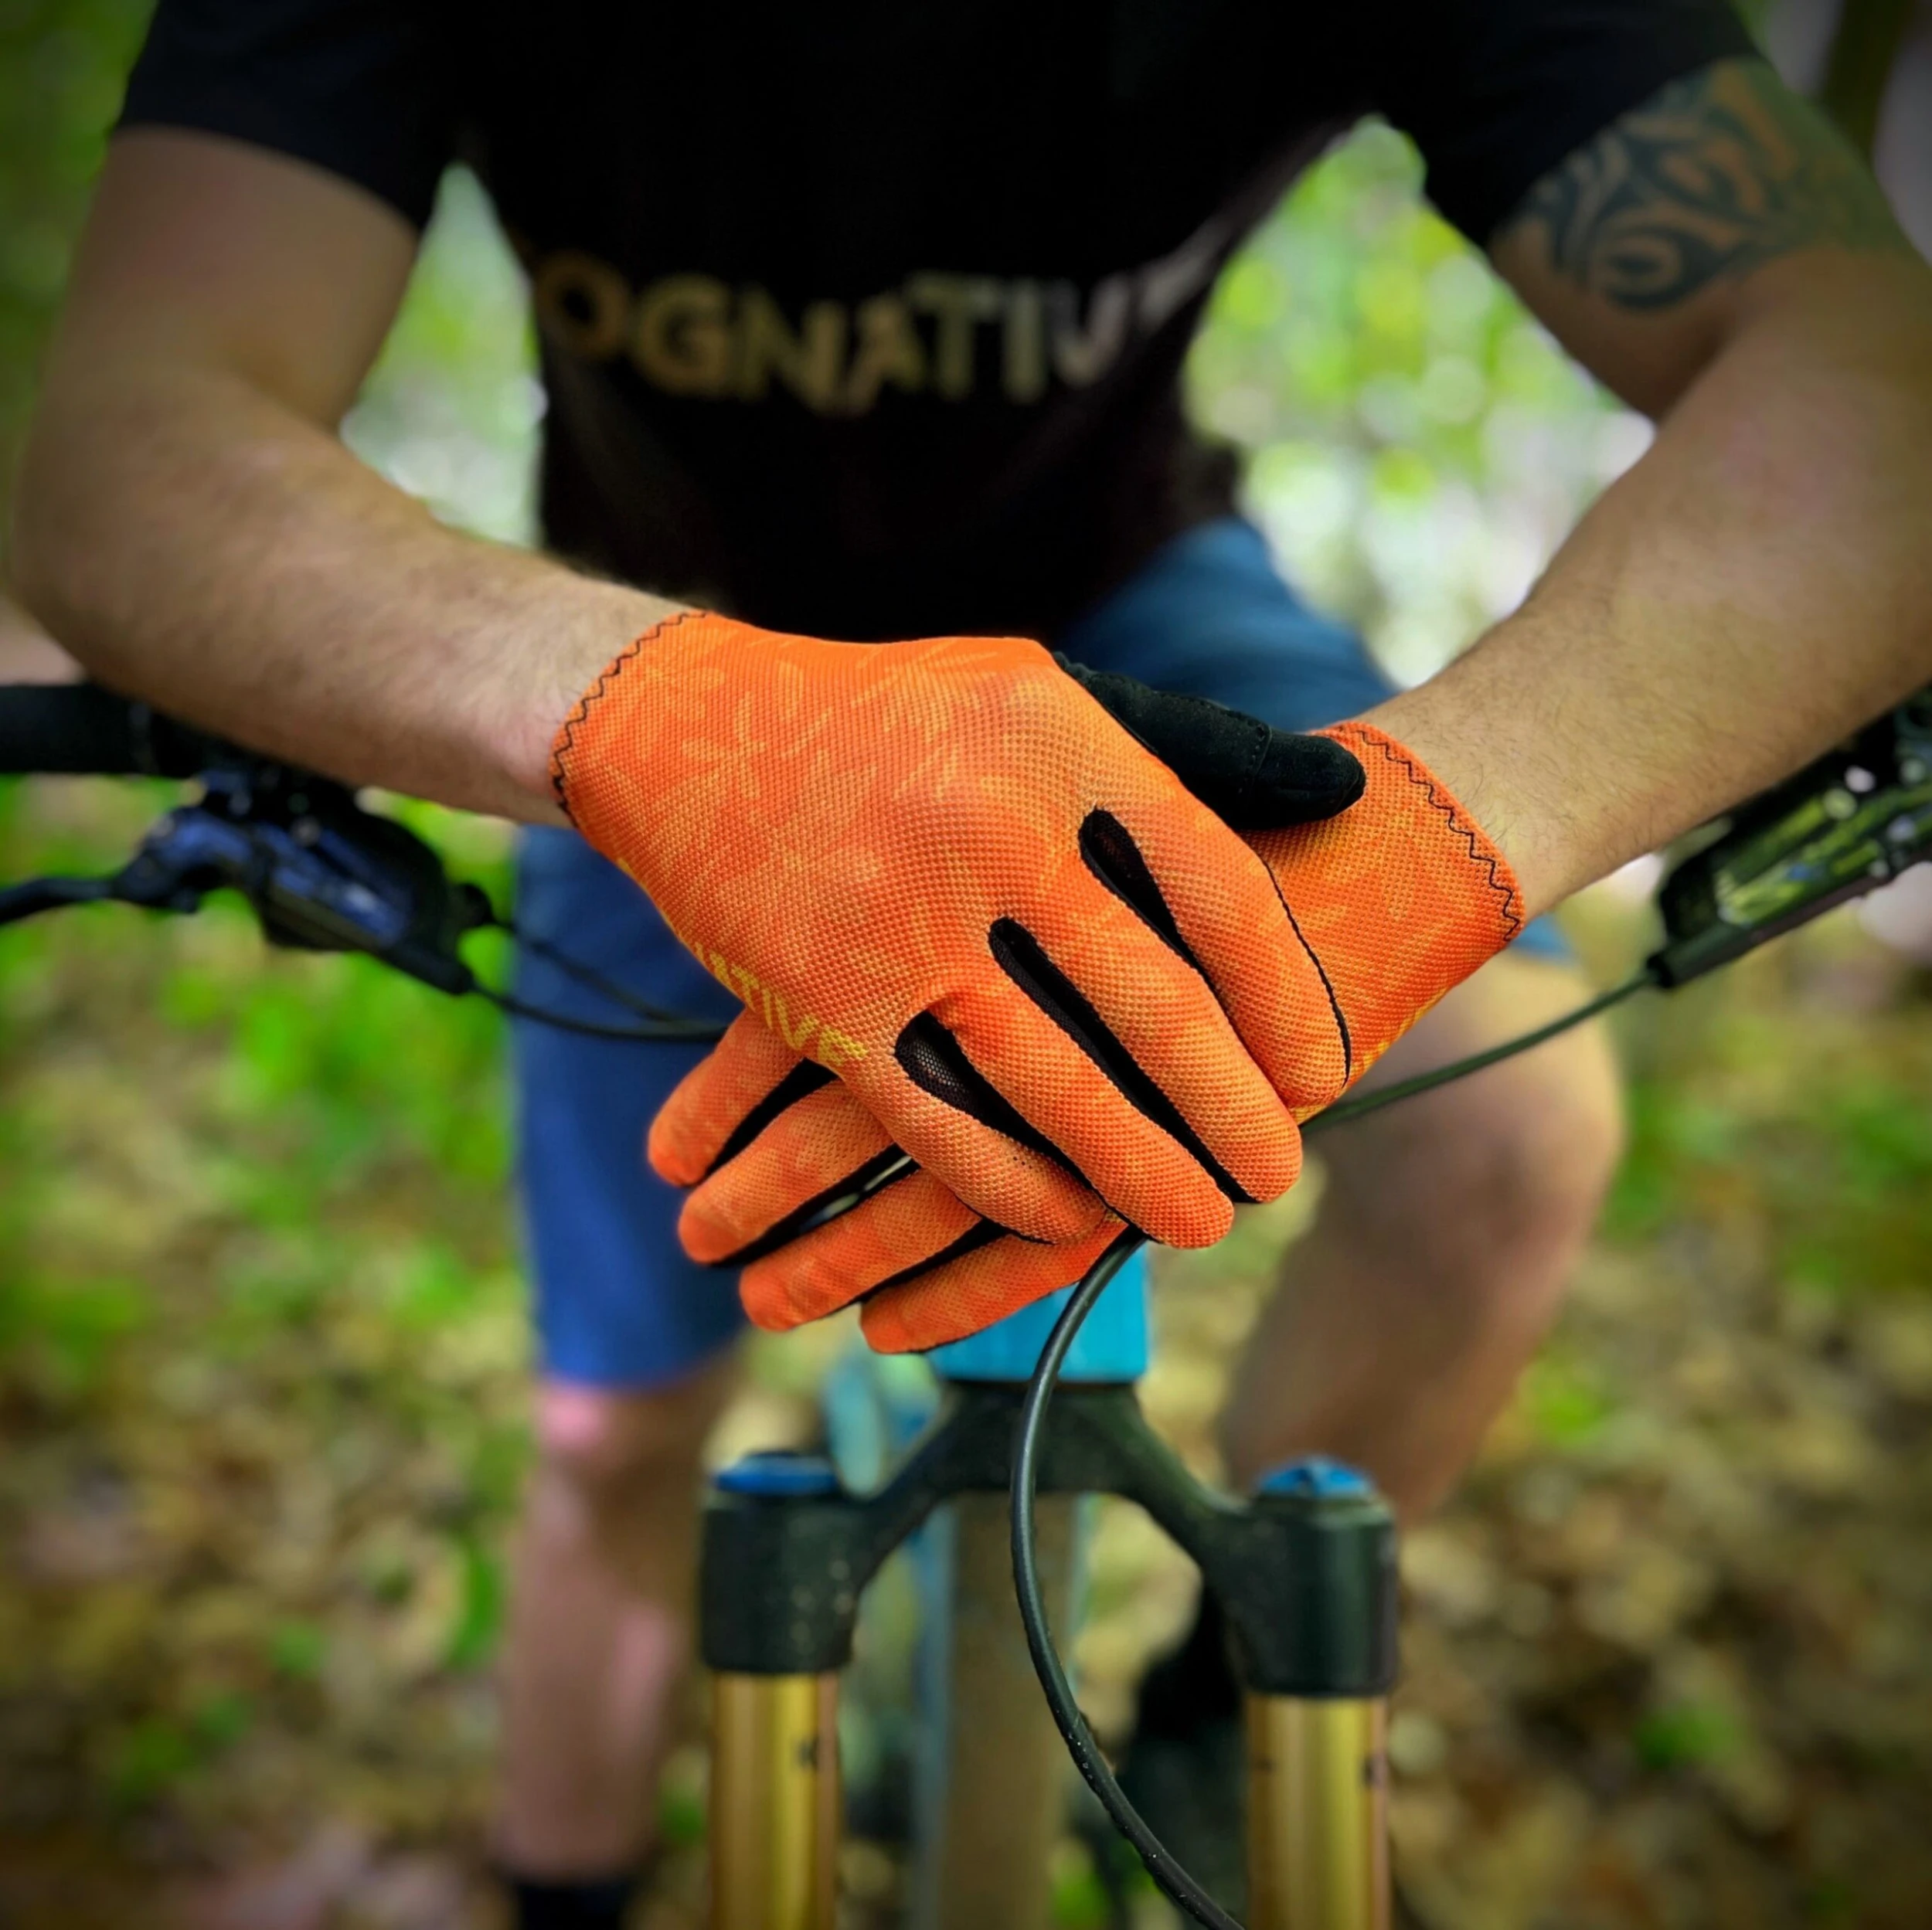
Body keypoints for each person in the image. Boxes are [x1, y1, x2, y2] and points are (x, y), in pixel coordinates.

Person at [11, 3, 1929, 1922]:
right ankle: (561, 1887)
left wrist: (1425, 846)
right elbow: (125, 445)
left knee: (1505, 1135)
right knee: (611, 1427)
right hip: (665, 641)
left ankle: (1223, 1704)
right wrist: (642, 711)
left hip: (1131, 597)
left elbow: (1868, 385)